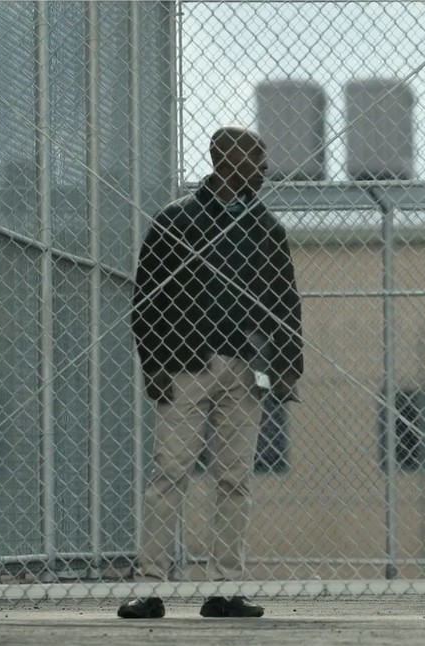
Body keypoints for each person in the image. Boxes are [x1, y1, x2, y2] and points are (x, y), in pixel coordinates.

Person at [117, 126, 303, 619]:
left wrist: (286, 366)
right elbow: (146, 298)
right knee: (170, 473)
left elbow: (285, 301)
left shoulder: (266, 228)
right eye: (256, 156)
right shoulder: (176, 220)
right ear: (224, 157)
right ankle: (149, 586)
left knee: (235, 478)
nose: (264, 167)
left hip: (246, 368)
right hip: (185, 366)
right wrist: (154, 365)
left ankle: (225, 589)